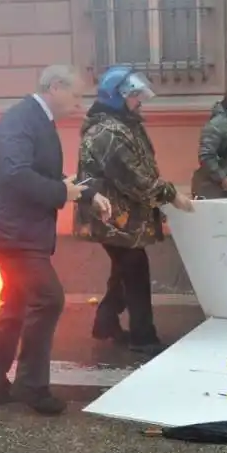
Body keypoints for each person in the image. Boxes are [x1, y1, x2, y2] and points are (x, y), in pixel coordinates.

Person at [0, 65, 112, 416]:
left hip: (22, 231)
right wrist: (62, 193)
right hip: (14, 234)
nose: (80, 104)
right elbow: (15, 174)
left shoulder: (38, 119)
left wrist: (85, 195)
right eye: (76, 95)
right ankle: (31, 387)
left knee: (17, 304)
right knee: (48, 299)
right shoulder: (20, 120)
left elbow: (47, 174)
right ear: (54, 87)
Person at [76, 66, 194, 356]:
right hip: (112, 216)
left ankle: (105, 322)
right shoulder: (109, 131)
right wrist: (170, 195)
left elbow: (140, 170)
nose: (140, 101)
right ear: (118, 97)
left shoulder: (123, 123)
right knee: (135, 269)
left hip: (121, 215)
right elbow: (133, 177)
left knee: (124, 268)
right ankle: (143, 337)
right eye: (135, 96)